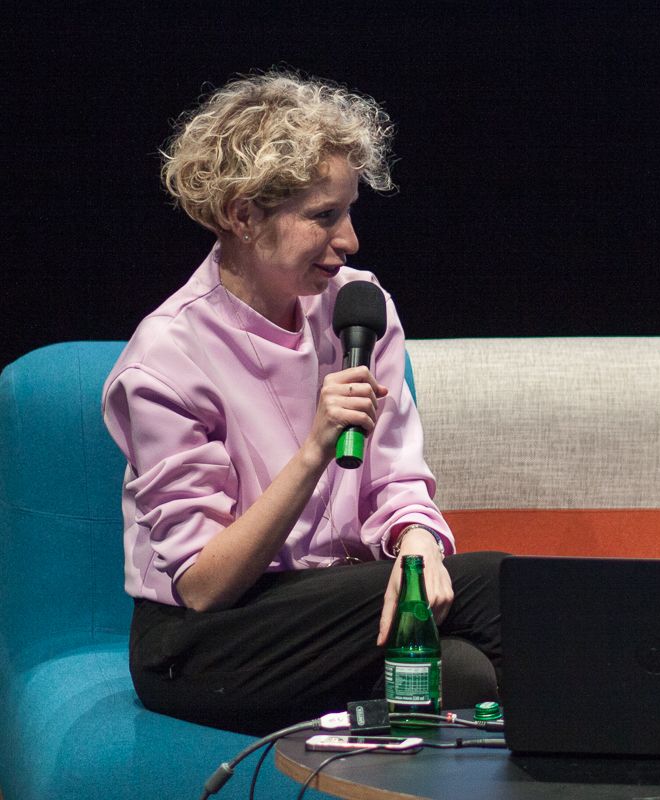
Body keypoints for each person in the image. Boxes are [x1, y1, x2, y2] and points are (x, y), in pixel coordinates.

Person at [103, 71, 503, 736]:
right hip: (205, 642)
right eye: (323, 217)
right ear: (243, 216)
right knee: (495, 585)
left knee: (463, 672)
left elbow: (396, 478)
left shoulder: (358, 307)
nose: (349, 241)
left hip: (331, 615)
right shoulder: (168, 356)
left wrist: (417, 544)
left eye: (349, 212)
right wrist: (317, 447)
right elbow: (203, 584)